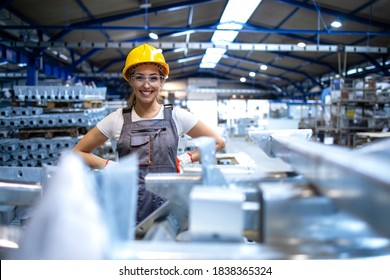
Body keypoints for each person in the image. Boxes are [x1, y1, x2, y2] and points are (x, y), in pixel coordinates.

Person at [73, 43, 225, 223]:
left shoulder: (176, 115)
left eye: (153, 78)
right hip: (129, 206)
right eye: (139, 78)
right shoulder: (117, 119)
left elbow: (218, 142)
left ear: (162, 81)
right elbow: (78, 151)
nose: (147, 85)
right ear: (130, 80)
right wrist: (111, 166)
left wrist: (184, 159)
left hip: (169, 205)